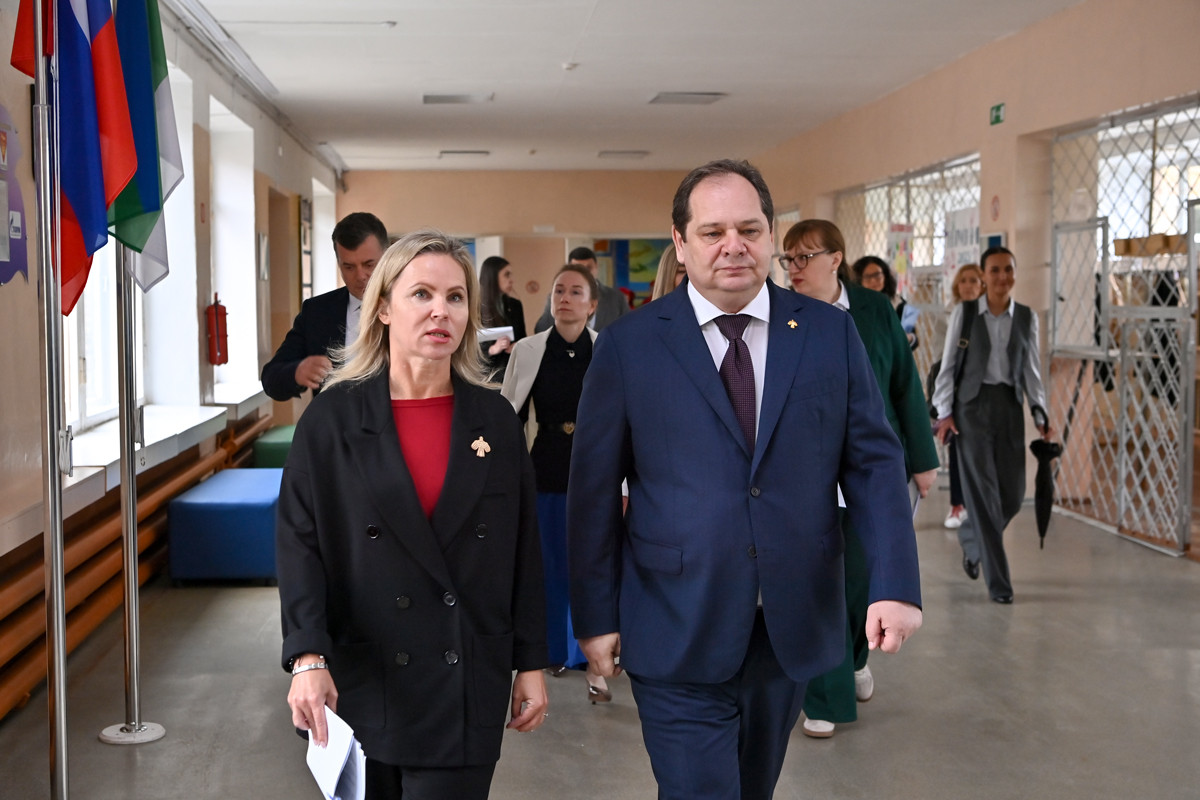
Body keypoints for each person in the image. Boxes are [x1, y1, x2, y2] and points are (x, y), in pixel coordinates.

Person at [566, 159, 922, 800]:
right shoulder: (630, 346)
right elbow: (593, 492)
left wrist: (895, 583)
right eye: (713, 232)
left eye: (750, 230)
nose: (734, 245)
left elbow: (874, 463)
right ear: (680, 243)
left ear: (770, 235)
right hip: (674, 620)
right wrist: (593, 617)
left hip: (788, 624)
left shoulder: (828, 333)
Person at [276, 229, 549, 799]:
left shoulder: (496, 421)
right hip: (363, 675)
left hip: (466, 675)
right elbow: (300, 545)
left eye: (455, 297)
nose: (440, 311)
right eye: (421, 294)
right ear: (382, 308)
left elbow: (522, 550)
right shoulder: (332, 419)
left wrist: (530, 662)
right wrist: (306, 656)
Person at [780, 219, 940, 739]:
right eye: (788, 259)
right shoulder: (782, 316)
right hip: (809, 472)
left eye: (805, 257)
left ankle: (853, 658)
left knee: (861, 581)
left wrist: (923, 460)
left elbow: (904, 384)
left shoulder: (873, 310)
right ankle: (825, 698)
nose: (795, 268)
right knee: (823, 583)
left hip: (870, 471)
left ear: (836, 258)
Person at [501, 265, 611, 702]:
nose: (565, 298)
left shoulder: (607, 349)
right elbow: (509, 415)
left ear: (592, 304)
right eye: (559, 290)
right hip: (544, 466)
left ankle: (596, 665)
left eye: (575, 291)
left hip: (594, 473)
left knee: (590, 566)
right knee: (547, 567)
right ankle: (550, 652)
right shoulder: (528, 350)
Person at [931, 246, 1052, 604]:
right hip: (971, 410)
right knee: (984, 497)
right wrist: (944, 412)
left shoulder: (1026, 317)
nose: (1002, 277)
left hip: (1009, 408)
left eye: (1008, 270)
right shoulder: (966, 313)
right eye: (995, 270)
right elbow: (948, 366)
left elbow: (1031, 371)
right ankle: (1000, 585)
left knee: (1012, 495)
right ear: (984, 276)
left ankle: (972, 541)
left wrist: (1040, 413)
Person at [261, 212, 388, 401]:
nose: (360, 276)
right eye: (349, 267)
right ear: (338, 263)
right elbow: (271, 378)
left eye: (369, 265)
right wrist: (298, 371)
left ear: (387, 257)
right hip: (335, 418)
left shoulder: (412, 306)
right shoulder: (317, 312)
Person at [940, 263, 983, 529]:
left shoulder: (988, 314)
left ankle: (978, 504)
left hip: (983, 394)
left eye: (974, 280)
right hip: (959, 392)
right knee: (958, 448)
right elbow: (946, 360)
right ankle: (957, 504)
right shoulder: (954, 312)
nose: (968, 285)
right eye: (964, 280)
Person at [534, 246, 629, 332]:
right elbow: (541, 329)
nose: (584, 273)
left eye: (588, 268)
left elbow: (629, 329)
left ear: (596, 267)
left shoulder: (616, 298)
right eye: (579, 268)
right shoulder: (557, 297)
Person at [853, 255, 919, 350]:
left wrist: (907, 338)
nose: (873, 280)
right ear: (858, 279)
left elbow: (914, 340)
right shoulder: (852, 303)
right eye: (867, 277)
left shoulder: (899, 303)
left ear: (885, 276)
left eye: (877, 275)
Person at [478, 255, 527, 382]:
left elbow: (522, 337)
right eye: (507, 275)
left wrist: (517, 345)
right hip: (488, 376)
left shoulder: (515, 305)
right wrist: (492, 349)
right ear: (492, 277)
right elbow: (469, 347)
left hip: (514, 372)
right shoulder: (475, 308)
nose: (512, 280)